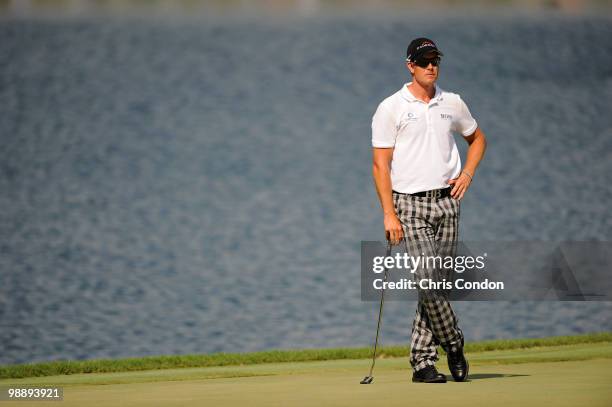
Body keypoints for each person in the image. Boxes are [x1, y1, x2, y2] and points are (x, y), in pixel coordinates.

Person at [371, 38, 487, 383]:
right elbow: (380, 165)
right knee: (426, 279)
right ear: (410, 65)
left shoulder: (452, 102)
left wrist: (467, 173)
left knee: (437, 284)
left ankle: (422, 362)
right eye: (424, 62)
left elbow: (478, 138)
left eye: (435, 61)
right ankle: (453, 341)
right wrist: (388, 214)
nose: (431, 67)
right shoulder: (391, 107)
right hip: (409, 204)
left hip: (448, 203)